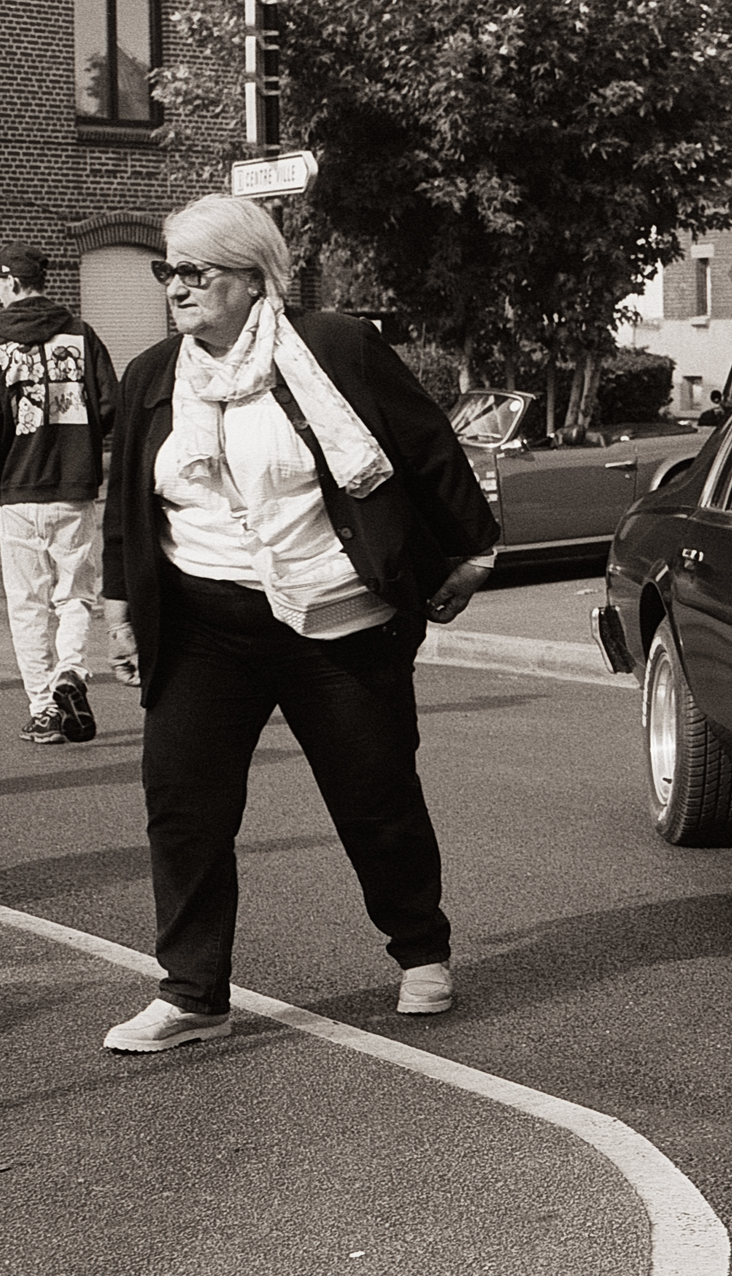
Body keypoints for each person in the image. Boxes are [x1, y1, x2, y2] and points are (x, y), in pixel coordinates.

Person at [98, 196, 501, 1054]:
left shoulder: (335, 348)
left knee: (375, 794)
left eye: (196, 271)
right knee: (183, 808)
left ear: (253, 278)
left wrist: (472, 551)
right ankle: (192, 992)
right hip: (203, 623)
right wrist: (120, 602)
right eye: (168, 270)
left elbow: (427, 446)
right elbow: (128, 501)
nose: (176, 286)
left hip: (336, 615)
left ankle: (421, 949)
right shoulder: (152, 375)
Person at [2, 243, 119, 744]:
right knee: (75, 595)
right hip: (73, 488)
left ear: (11, 281)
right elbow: (109, 404)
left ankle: (45, 710)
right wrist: (82, 444)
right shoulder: (81, 334)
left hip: (14, 490)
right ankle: (71, 669)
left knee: (27, 604)